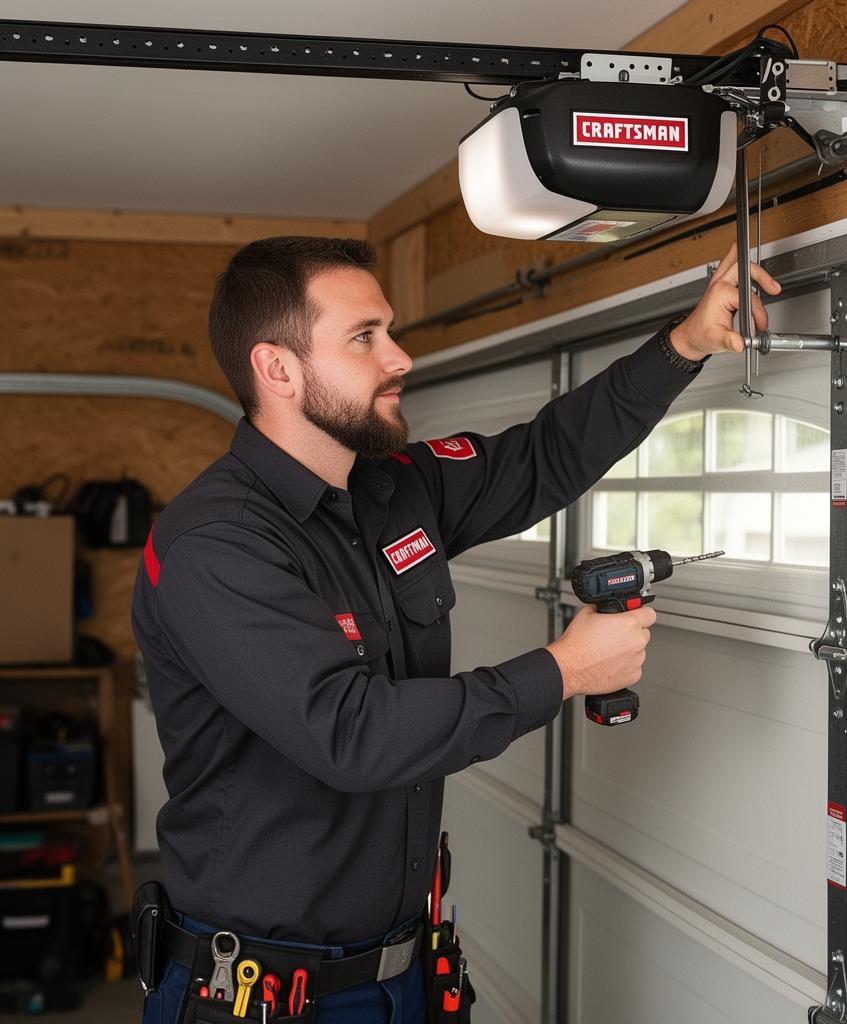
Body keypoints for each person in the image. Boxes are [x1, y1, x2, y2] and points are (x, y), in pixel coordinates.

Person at [131, 235, 780, 1024]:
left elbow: (545, 455)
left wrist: (683, 345)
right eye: (365, 337)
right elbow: (352, 734)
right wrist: (564, 670)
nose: (399, 358)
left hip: (407, 974)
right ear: (279, 369)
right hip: (264, 999)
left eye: (389, 330)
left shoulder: (396, 489)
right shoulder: (216, 544)